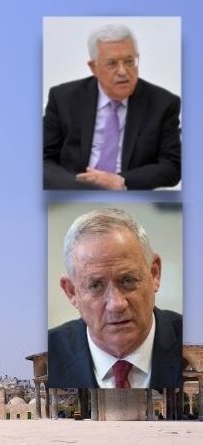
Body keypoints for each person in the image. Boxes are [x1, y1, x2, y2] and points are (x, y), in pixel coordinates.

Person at [48, 209, 182, 388]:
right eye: (96, 286)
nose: (116, 304)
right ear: (72, 292)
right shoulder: (49, 354)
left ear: (154, 274)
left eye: (128, 280)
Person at [43, 24, 181, 190]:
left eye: (130, 61)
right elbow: (43, 159)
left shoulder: (163, 104)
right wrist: (78, 186)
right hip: (72, 193)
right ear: (93, 67)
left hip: (130, 196)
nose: (123, 71)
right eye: (112, 64)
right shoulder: (63, 98)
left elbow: (172, 167)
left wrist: (122, 181)